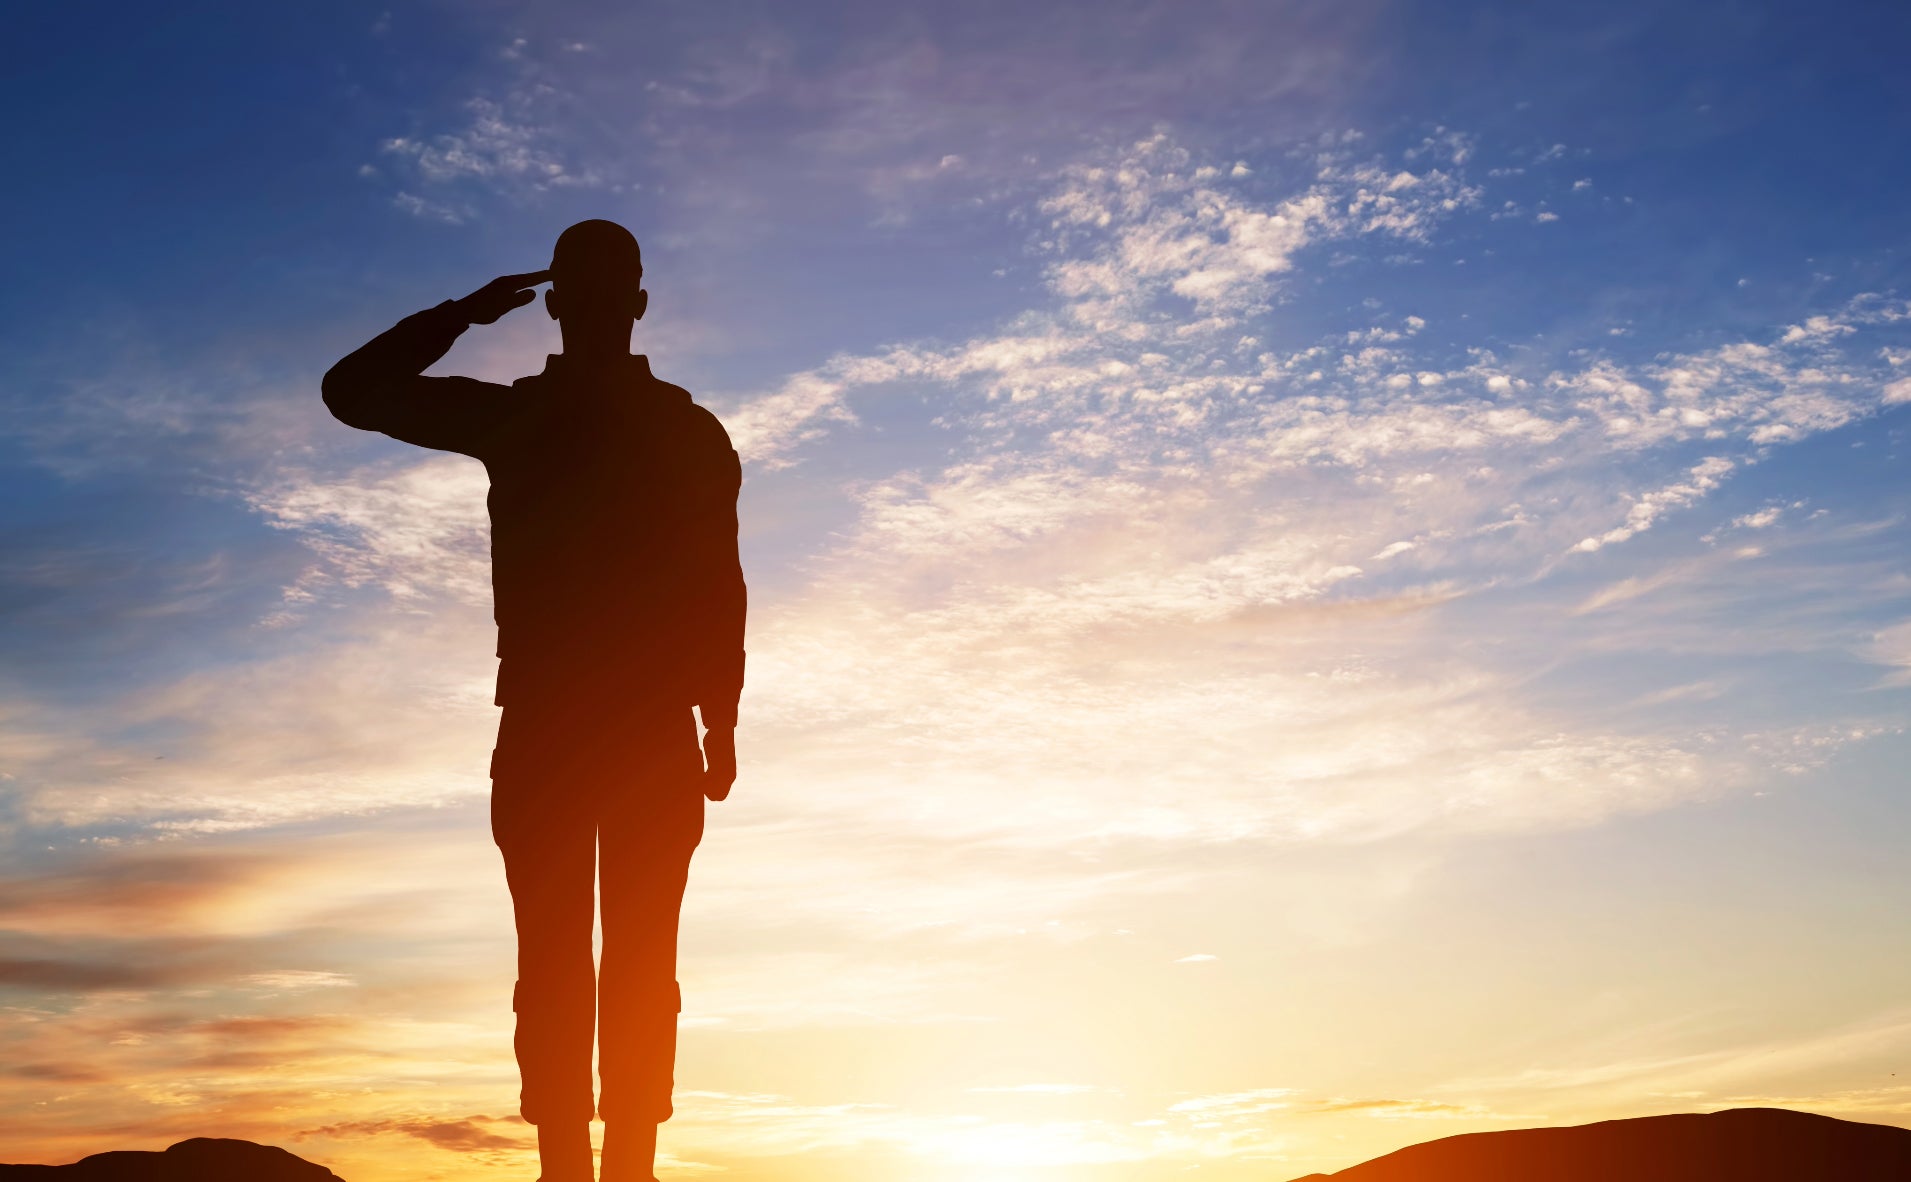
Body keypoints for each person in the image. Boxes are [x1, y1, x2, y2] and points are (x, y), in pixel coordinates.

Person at [321, 220, 745, 1182]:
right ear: (636, 305)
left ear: (552, 304)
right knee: (627, 958)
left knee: (566, 958)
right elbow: (721, 587)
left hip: (563, 728)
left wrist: (468, 312)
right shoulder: (681, 430)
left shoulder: (522, 419)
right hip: (632, 731)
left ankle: (583, 1161)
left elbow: (350, 390)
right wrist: (720, 718)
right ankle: (608, 1160)